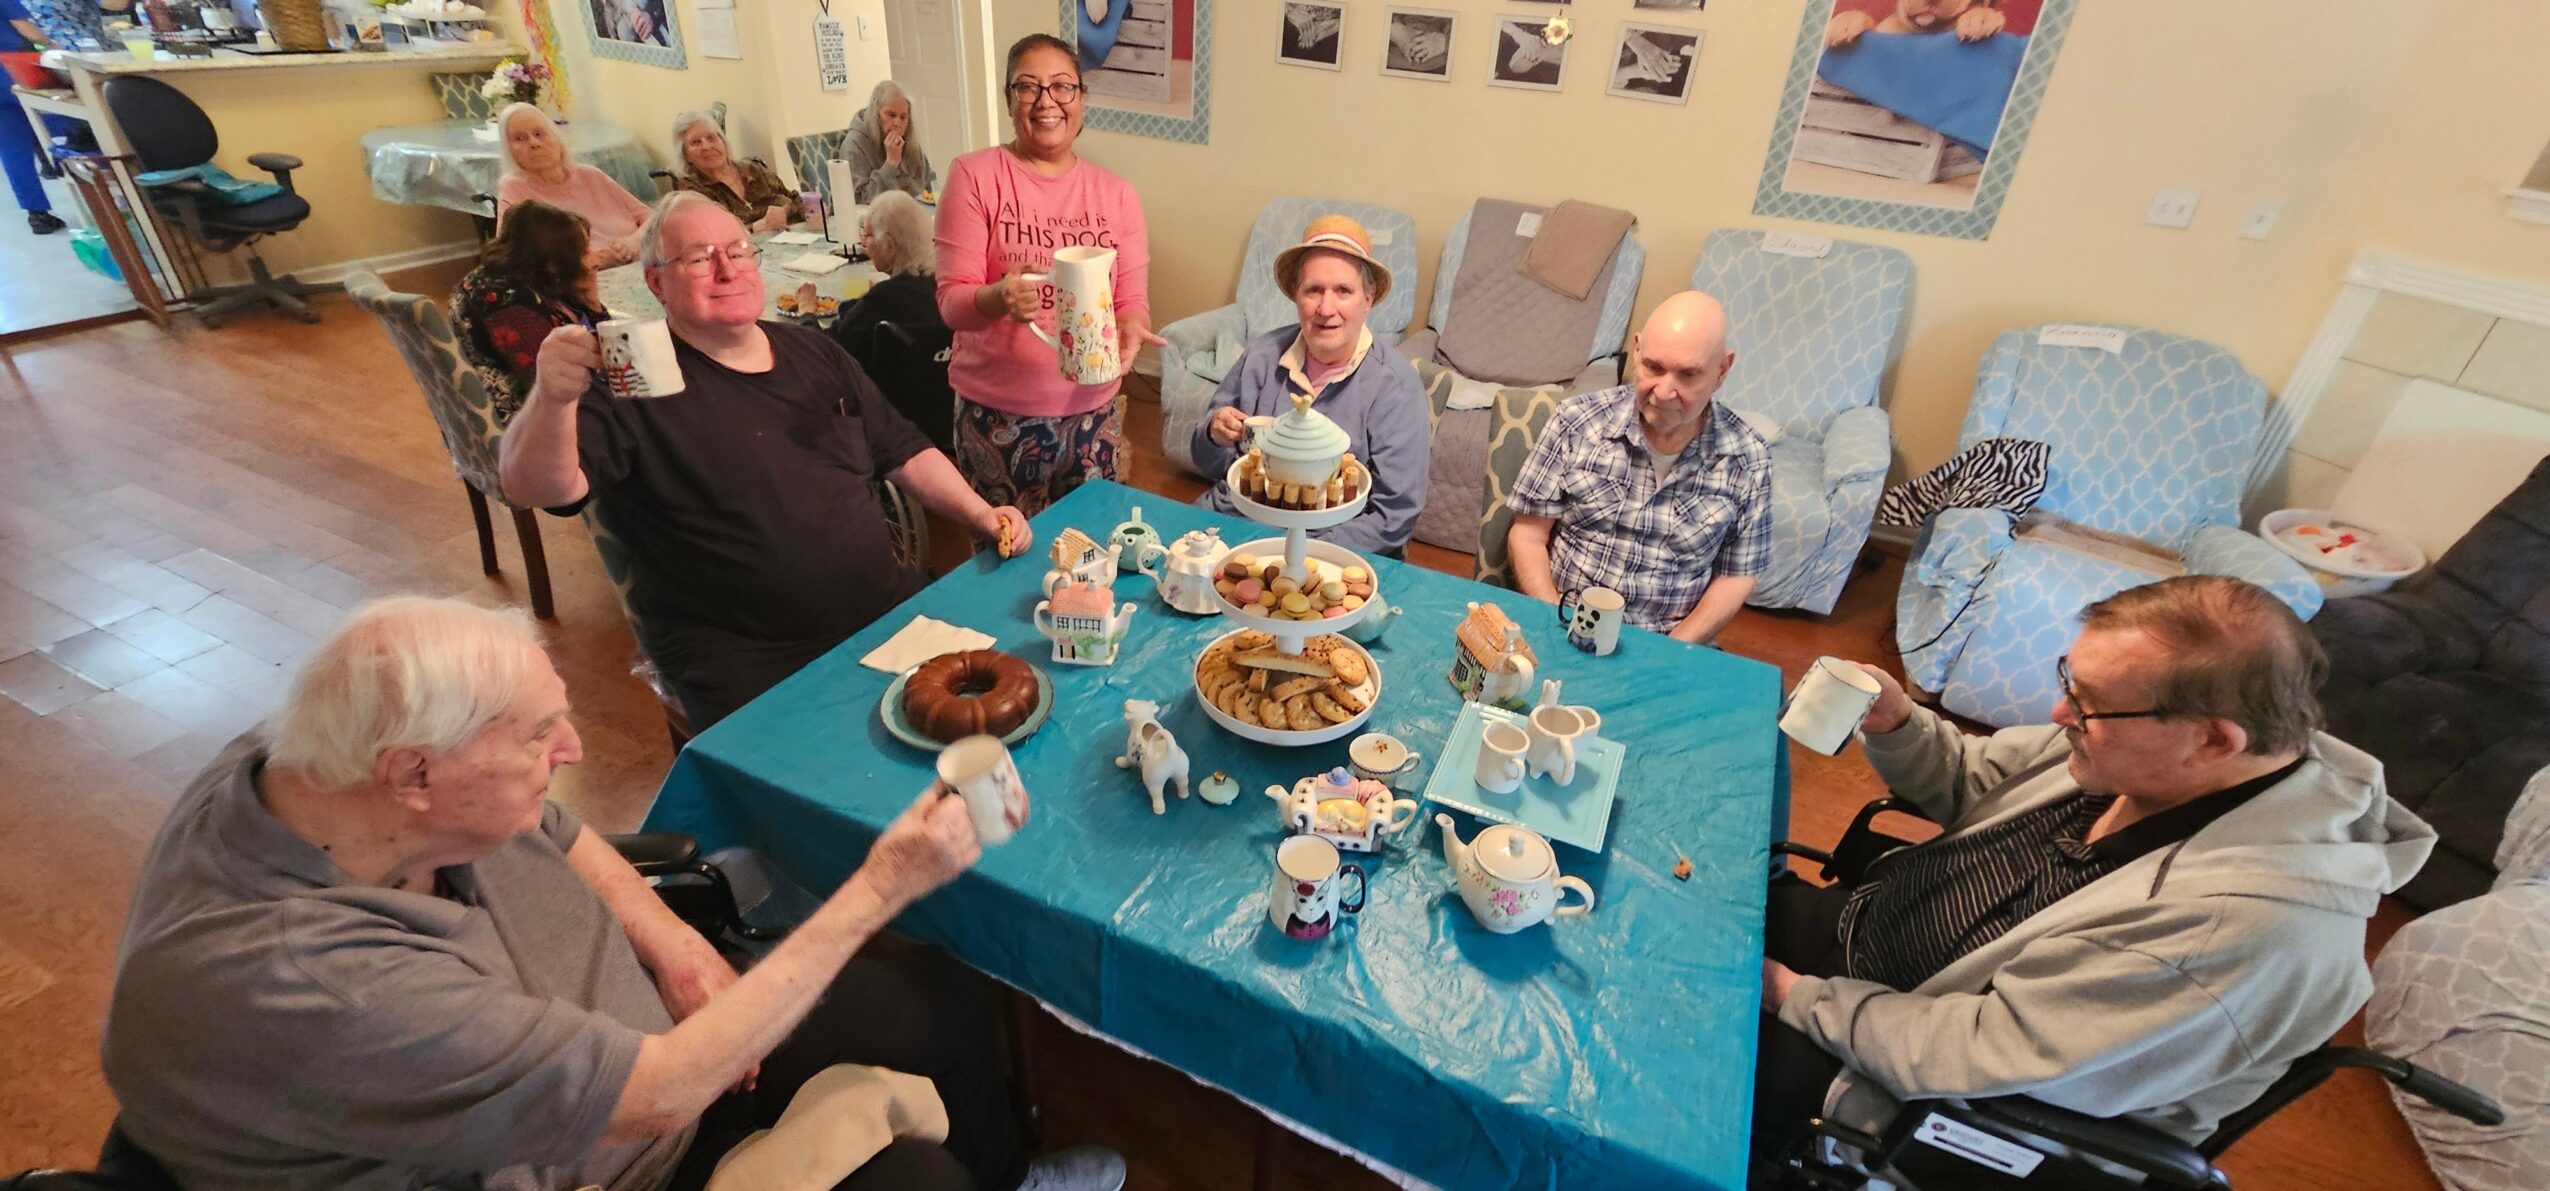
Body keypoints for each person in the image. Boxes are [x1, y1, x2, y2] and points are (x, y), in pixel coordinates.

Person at [99, 596, 1125, 1191]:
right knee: (916, 1181)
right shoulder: (318, 988)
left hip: (643, 1040)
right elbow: (656, 1097)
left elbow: (554, 827)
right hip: (621, 1146)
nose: (574, 751)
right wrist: (882, 882)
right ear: (413, 775)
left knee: (936, 995)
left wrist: (673, 945)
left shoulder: (310, 758)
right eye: (536, 737)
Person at [1751, 576, 2437, 1175]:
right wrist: (1900, 723)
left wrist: (1788, 994)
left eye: (2089, 703)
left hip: (1930, 1095)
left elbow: (1974, 1051)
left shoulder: (2239, 929)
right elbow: (1976, 780)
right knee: (1705, 901)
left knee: (1696, 1050)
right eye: (2069, 682)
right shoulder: (2142, 754)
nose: (2061, 714)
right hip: (1871, 945)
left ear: (2213, 738)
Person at [500, 192, 1031, 729]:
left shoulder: (814, 350)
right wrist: (553, 397)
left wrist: (980, 513)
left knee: (1002, 711)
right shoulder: (631, 379)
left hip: (884, 612)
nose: (727, 269)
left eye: (738, 251)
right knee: (855, 771)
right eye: (700, 258)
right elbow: (535, 488)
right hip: (751, 659)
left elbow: (903, 448)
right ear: (656, 282)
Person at [934, 32, 1163, 516]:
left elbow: (1130, 301)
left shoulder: (1117, 194)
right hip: (997, 415)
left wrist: (1132, 326)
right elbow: (952, 304)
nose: (1046, 101)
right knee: (1005, 552)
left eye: (1062, 86)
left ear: (1081, 98)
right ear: (1009, 100)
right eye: (1028, 87)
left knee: (1091, 549)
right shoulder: (974, 177)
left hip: (1093, 412)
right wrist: (997, 298)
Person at [1503, 290, 1770, 646]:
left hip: (1671, 641)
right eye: (1653, 368)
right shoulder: (1575, 422)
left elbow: (1737, 576)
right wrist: (1552, 618)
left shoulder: (1748, 458)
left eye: (1688, 375)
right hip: (1565, 623)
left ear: (1722, 370)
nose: (1664, 391)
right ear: (1638, 349)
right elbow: (1528, 535)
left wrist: (1671, 648)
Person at [1189, 214, 1427, 555]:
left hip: (1328, 547)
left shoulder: (1396, 387)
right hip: (1233, 521)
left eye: (1343, 291)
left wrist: (1299, 554)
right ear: (1296, 295)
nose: (1326, 309)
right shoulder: (1261, 356)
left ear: (1368, 298)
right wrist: (1213, 434)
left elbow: (1394, 515)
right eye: (1313, 290)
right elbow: (1207, 461)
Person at [451, 199, 607, 424]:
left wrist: (591, 301)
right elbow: (556, 385)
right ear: (552, 260)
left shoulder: (532, 275)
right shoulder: (509, 304)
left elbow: (607, 340)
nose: (595, 258)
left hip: (545, 404)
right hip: (533, 421)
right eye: (584, 251)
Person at [830, 190, 953, 447]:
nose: (865, 244)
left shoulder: (883, 300)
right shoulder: (949, 285)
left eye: (867, 236)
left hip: (897, 429)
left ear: (889, 244)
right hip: (949, 419)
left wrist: (807, 312)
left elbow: (831, 347)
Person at [494, 101, 651, 269]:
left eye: (539, 133)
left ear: (557, 137)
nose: (534, 143)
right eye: (519, 138)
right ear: (508, 150)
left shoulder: (590, 175)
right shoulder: (513, 189)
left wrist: (634, 241)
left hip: (638, 265)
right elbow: (511, 254)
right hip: (580, 278)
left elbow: (651, 217)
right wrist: (592, 260)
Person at [670, 110, 794, 232]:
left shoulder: (753, 170)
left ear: (723, 141)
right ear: (686, 156)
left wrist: (786, 211)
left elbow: (794, 199)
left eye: (711, 137)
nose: (707, 146)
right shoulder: (691, 191)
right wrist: (755, 228)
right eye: (696, 142)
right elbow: (708, 233)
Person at [1, 0, 65, 234]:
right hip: (14, 69)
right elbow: (30, 32)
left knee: (12, 148)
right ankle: (94, 193)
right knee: (64, 128)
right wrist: (55, 45)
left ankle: (37, 214)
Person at [838, 79, 937, 204]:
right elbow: (859, 199)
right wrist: (891, 164)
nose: (897, 123)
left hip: (915, 210)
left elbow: (931, 182)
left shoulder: (909, 141)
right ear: (876, 114)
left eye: (903, 117)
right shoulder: (855, 144)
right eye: (891, 115)